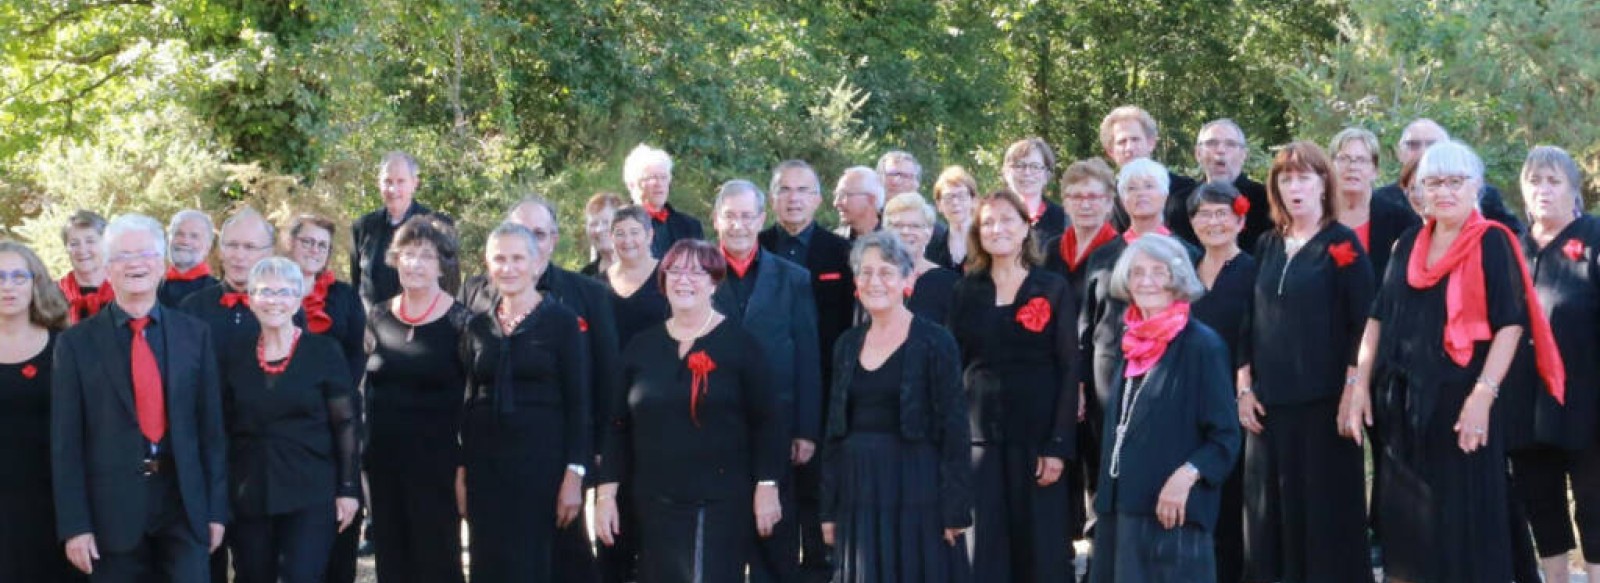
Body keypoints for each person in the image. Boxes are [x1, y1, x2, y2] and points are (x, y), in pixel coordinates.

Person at [1351, 140, 1563, 583]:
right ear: (1420, 191)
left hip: (1461, 404)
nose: (1443, 191)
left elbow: (1511, 325)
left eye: (1454, 181)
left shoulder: (1492, 242)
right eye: (1432, 182)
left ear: (1476, 188)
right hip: (1399, 407)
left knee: (1463, 521)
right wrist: (1359, 387)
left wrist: (1483, 397)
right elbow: (1377, 316)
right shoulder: (1407, 241)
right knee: (1407, 524)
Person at [593, 239, 786, 583]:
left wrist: (767, 485)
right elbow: (617, 425)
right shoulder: (641, 346)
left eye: (697, 272)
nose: (684, 280)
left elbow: (768, 422)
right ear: (663, 280)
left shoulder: (741, 345)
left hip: (719, 499)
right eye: (675, 271)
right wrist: (606, 494)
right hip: (652, 502)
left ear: (714, 281)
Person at [52, 213, 228, 582]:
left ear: (161, 264)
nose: (135, 264)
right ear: (107, 267)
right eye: (123, 256)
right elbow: (66, 442)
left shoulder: (195, 335)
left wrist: (215, 511)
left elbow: (210, 430)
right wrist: (75, 525)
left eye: (145, 254)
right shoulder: (76, 344)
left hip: (184, 504)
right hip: (110, 514)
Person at [1237, 141, 1375, 583]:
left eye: (1304, 177)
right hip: (1267, 411)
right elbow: (1247, 323)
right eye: (1286, 178)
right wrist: (1243, 389)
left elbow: (1365, 323)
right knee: (1268, 520)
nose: (1295, 186)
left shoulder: (1342, 244)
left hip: (1325, 409)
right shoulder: (1265, 244)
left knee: (1324, 523)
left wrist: (1353, 391)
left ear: (1323, 184)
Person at [818, 232, 973, 582]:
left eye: (886, 272)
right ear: (856, 282)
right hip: (859, 490)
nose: (875, 281)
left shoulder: (936, 341)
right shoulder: (846, 344)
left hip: (918, 489)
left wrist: (955, 509)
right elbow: (833, 432)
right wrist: (828, 509)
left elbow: (955, 428)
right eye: (866, 272)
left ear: (907, 279)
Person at [1088, 234, 1240, 583]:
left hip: (1172, 512)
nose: (1146, 281)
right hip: (1120, 510)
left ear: (1178, 279)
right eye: (1137, 272)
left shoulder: (1203, 345)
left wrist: (1185, 476)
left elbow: (1225, 436)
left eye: (1158, 272)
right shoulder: (1130, 342)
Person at [949, 189, 1078, 582]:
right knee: (984, 552)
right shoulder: (965, 290)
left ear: (1026, 227)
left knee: (1040, 553)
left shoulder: (1052, 287)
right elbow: (955, 366)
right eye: (987, 222)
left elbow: (1070, 368)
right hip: (979, 440)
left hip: (1037, 442)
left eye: (1007, 219)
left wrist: (1057, 444)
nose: (997, 228)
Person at [457, 222, 592, 582]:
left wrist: (574, 476)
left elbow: (580, 404)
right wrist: (462, 471)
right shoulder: (477, 327)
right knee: (490, 565)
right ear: (488, 265)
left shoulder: (563, 323)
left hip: (543, 471)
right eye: (499, 258)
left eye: (518, 258)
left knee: (536, 566)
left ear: (537, 264)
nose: (509, 267)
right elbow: (468, 401)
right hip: (486, 471)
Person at [220, 257, 360, 583]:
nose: (274, 300)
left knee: (302, 576)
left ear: (298, 299)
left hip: (311, 490)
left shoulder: (324, 351)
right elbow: (222, 425)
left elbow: (346, 423)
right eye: (265, 292)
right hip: (249, 491)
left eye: (284, 292)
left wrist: (349, 488)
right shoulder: (234, 353)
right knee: (253, 576)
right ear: (251, 299)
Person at [709, 179, 822, 582]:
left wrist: (806, 430)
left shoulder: (793, 278)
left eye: (746, 216)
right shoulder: (695, 275)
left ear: (761, 218)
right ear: (716, 219)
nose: (738, 225)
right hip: (712, 431)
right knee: (719, 545)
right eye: (730, 216)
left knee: (773, 540)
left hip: (777, 430)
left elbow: (807, 356)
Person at [1504, 146, 1600, 582]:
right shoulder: (1511, 248)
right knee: (1540, 503)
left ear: (1573, 191)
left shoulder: (1594, 236)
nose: (1543, 190)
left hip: (1587, 401)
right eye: (1535, 181)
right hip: (1525, 405)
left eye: (1553, 181)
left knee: (1595, 504)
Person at [757, 159, 854, 577]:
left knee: (817, 493)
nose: (793, 198)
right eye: (785, 190)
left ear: (818, 198)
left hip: (827, 387)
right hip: (768, 391)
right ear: (773, 198)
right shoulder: (755, 247)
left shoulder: (841, 251)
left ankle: (819, 570)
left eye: (803, 190)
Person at [362, 216, 470, 583]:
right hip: (384, 462)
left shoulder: (462, 322)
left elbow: (473, 402)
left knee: (436, 562)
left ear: (442, 264)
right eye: (407, 254)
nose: (414, 263)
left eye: (425, 255)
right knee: (392, 561)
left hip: (438, 467)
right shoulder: (378, 316)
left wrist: (464, 468)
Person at [281, 214, 368, 583]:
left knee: (339, 523)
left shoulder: (344, 296)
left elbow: (356, 354)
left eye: (322, 245)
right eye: (308, 242)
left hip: (336, 421)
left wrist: (335, 401)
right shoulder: (270, 289)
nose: (315, 250)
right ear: (290, 243)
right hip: (285, 427)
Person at [1186, 181, 1258, 582]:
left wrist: (1246, 387)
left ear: (1240, 219)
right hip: (1190, 401)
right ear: (1192, 222)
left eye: (1222, 213)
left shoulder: (1253, 270)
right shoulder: (1185, 274)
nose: (1213, 222)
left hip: (1236, 399)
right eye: (1204, 214)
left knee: (1234, 500)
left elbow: (1257, 336)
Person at [0, 241, 80, 582]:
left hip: (53, 504)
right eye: (0, 277)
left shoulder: (66, 346)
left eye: (19, 276)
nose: (8, 286)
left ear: (36, 283)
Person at [1372, 119, 1522, 234]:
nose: (1423, 152)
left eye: (1432, 145)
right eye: (1413, 145)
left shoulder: (1481, 195)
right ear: (1399, 153)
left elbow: (1515, 237)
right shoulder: (1383, 201)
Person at [351, 151, 459, 309]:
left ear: (414, 183)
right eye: (388, 181)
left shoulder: (438, 226)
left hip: (423, 324)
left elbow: (451, 285)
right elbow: (356, 285)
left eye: (401, 181)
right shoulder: (363, 227)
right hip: (372, 327)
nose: (393, 189)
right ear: (378, 184)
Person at [1330, 127, 1422, 278]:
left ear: (1375, 171)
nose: (1352, 167)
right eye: (1343, 159)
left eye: (1361, 160)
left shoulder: (1400, 220)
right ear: (1330, 166)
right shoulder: (1314, 215)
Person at [1099, 106, 1199, 239]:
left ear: (1151, 143)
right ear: (1110, 152)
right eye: (1122, 142)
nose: (1129, 148)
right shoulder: (1105, 203)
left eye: (1135, 139)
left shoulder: (1186, 191)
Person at [1187, 119, 1272, 252]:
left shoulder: (1266, 200)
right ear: (1198, 153)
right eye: (1211, 143)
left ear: (1244, 155)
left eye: (1230, 144)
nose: (1220, 150)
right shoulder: (1181, 201)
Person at [1043, 158, 1120, 295]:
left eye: (1093, 197)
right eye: (1077, 197)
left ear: (1108, 203)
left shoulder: (1120, 252)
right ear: (1065, 204)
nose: (1085, 205)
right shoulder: (1053, 249)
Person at [884, 193, 961, 324]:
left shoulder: (950, 283)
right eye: (897, 225)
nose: (906, 231)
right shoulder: (873, 279)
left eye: (915, 226)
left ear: (929, 233)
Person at [603, 205, 671, 348]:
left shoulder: (669, 276)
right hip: (612, 368)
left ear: (649, 235)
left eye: (634, 232)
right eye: (620, 234)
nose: (627, 241)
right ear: (611, 238)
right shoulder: (598, 284)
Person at [626, 144, 705, 258]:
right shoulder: (617, 224)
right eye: (652, 177)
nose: (659, 184)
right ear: (632, 184)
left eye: (664, 177)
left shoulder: (690, 227)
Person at [1002, 137, 1067, 242]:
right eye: (1020, 165)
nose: (1027, 172)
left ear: (1047, 175)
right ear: (1006, 172)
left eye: (1035, 167)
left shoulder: (1063, 220)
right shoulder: (990, 217)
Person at [58, 210, 114, 324]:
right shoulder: (52, 295)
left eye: (90, 241)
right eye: (74, 243)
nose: (82, 250)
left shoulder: (126, 290)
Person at [158, 210, 218, 307]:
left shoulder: (220, 295)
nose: (185, 241)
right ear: (168, 239)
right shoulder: (151, 289)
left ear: (208, 246)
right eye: (178, 234)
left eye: (194, 236)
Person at [927, 166, 977, 270]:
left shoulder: (986, 241)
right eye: (948, 197)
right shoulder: (932, 246)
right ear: (939, 205)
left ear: (973, 200)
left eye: (961, 195)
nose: (955, 202)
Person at [834, 166, 886, 240]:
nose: (836, 203)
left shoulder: (895, 243)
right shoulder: (835, 241)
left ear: (871, 199)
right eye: (836, 195)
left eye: (843, 195)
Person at [582, 192, 626, 277]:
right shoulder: (585, 277)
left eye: (606, 222)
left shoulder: (645, 270)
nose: (599, 230)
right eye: (593, 224)